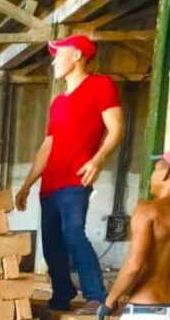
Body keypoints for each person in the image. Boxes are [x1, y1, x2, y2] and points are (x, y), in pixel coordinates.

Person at [15, 34, 124, 314]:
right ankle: (62, 294)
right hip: (50, 183)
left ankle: (97, 297)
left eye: (57, 55)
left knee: (73, 233)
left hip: (76, 180)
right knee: (51, 244)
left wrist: (98, 159)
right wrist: (27, 185)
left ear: (77, 56)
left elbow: (116, 128)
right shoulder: (58, 103)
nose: (53, 62)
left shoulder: (100, 85)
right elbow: (47, 146)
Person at [97, 152, 170, 320]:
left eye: (154, 170)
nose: (151, 176)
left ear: (166, 174)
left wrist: (110, 301)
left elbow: (134, 265)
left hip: (147, 308)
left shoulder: (148, 211)